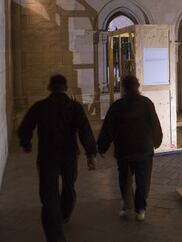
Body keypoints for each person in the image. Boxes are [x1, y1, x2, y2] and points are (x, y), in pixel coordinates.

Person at [18, 74, 97, 242]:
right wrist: (90, 154)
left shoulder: (40, 107)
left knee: (49, 195)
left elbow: (25, 127)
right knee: (69, 186)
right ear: (66, 88)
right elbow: (85, 131)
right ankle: (65, 214)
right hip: (69, 155)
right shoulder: (75, 107)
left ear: (49, 87)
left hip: (47, 156)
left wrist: (26, 143)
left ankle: (55, 235)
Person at [97, 75, 162, 221]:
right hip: (144, 149)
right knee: (143, 180)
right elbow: (155, 124)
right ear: (138, 86)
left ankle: (127, 207)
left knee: (125, 180)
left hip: (124, 150)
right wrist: (157, 141)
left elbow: (108, 128)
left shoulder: (117, 106)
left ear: (124, 88)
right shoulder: (146, 103)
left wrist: (102, 147)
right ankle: (140, 209)